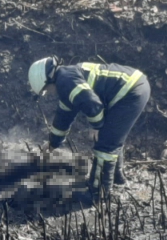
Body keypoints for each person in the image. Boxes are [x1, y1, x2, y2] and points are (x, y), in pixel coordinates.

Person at [28, 56, 150, 201]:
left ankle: (98, 192)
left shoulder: (66, 81)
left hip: (130, 91)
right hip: (134, 86)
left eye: (46, 89)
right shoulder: (66, 80)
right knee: (112, 139)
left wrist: (96, 126)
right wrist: (52, 143)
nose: (49, 92)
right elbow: (63, 118)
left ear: (48, 80)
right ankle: (117, 178)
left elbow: (92, 103)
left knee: (105, 145)